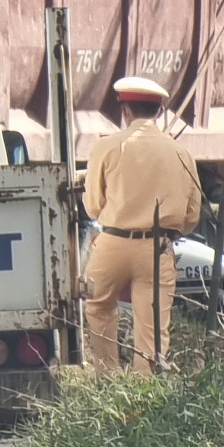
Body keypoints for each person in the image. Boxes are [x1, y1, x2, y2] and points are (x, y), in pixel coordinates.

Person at [82, 76, 203, 372]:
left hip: (112, 243)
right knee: (151, 327)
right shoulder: (180, 152)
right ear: (160, 112)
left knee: (98, 307)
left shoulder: (107, 147)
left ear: (125, 111)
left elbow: (94, 206)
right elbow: (192, 215)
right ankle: (144, 391)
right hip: (157, 248)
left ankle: (107, 378)